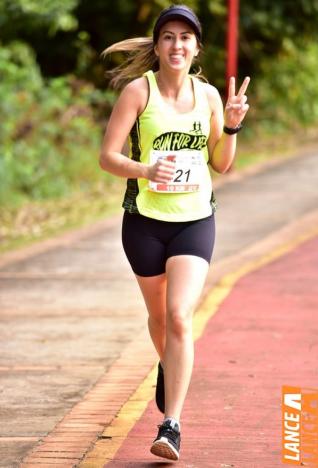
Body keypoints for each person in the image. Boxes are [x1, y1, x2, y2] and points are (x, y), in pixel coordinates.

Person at [100, 4, 250, 462]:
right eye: (168, 36)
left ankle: (172, 424)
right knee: (161, 320)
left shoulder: (207, 97)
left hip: (193, 220)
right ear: (158, 45)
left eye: (186, 37)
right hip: (144, 220)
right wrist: (146, 168)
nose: (177, 44)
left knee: (180, 315)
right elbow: (107, 157)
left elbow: (221, 164)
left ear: (196, 47)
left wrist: (232, 124)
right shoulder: (136, 94)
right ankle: (170, 364)